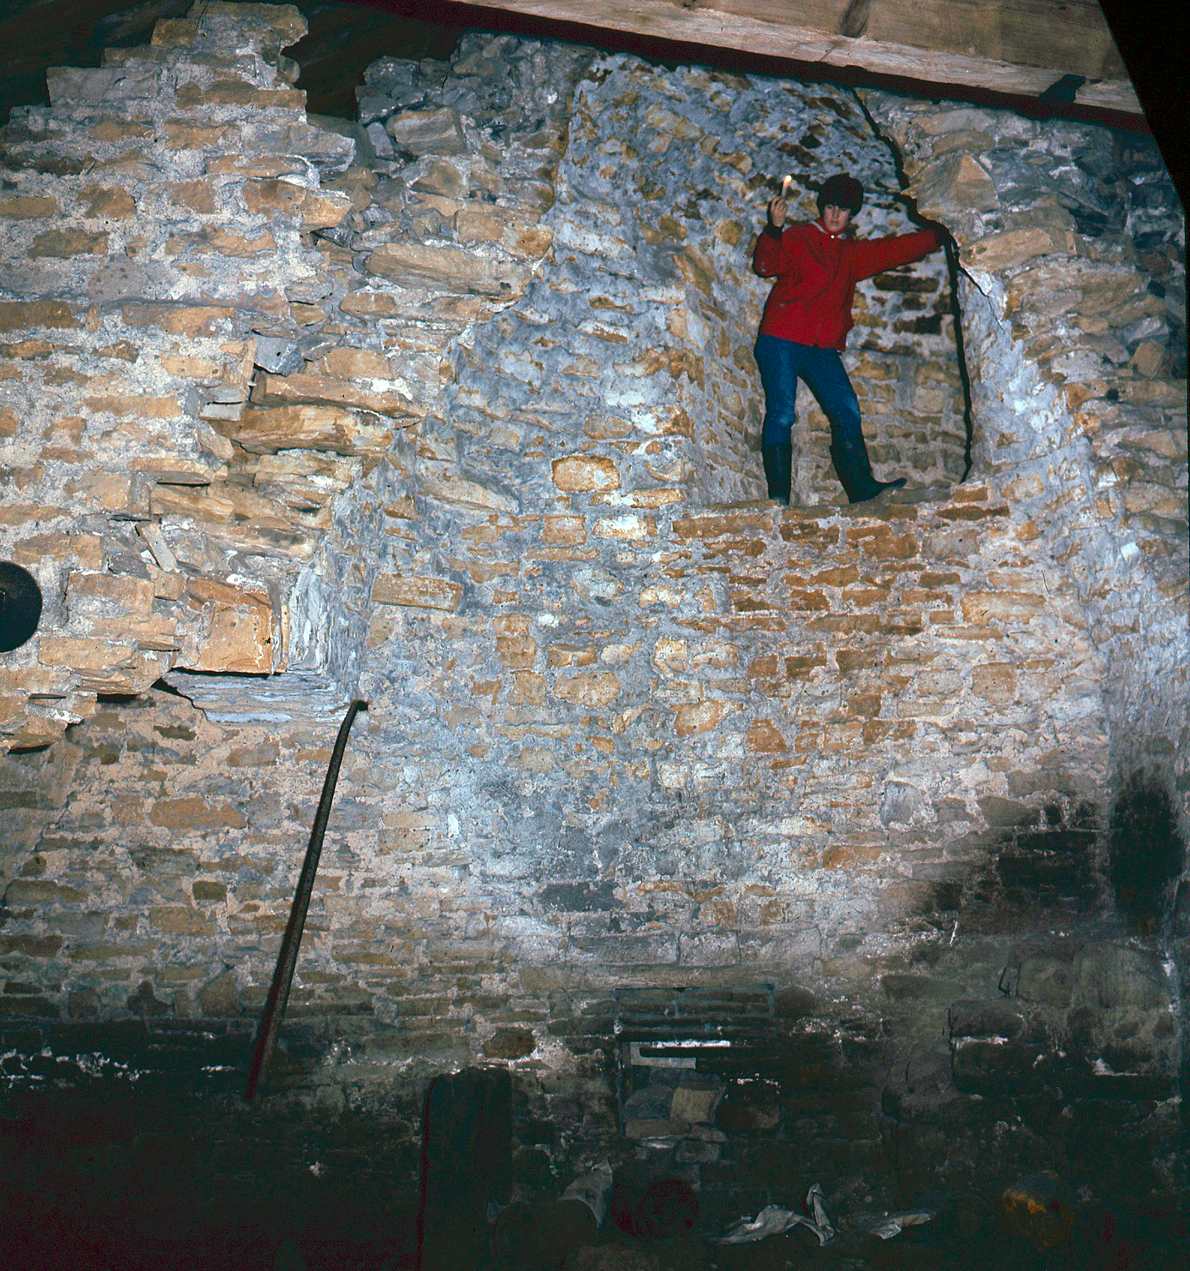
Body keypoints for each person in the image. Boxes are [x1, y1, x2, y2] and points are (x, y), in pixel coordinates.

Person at [752, 173, 945, 505]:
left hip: (821, 348)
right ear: (822, 207)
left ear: (851, 214)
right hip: (781, 337)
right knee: (782, 412)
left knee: (847, 410)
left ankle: (861, 488)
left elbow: (893, 250)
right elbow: (766, 265)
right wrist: (774, 228)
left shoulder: (850, 253)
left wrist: (938, 236)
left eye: (842, 210)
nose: (835, 215)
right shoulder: (799, 237)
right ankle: (778, 498)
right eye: (830, 207)